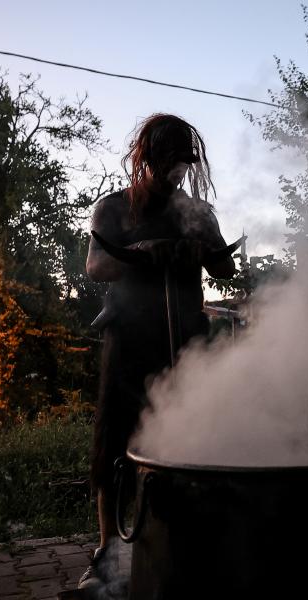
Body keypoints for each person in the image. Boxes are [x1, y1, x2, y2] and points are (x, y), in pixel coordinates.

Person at [85, 114, 236, 554]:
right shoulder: (113, 208)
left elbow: (224, 268)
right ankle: (108, 548)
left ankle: (180, 543)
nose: (176, 172)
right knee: (116, 441)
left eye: (182, 164)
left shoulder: (195, 212)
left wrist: (202, 247)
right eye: (167, 161)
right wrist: (140, 252)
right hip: (129, 340)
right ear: (146, 158)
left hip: (185, 338)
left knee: (192, 438)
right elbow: (96, 266)